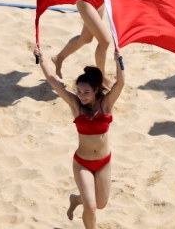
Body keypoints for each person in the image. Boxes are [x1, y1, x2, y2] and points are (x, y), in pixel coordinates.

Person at [33, 44, 125, 229]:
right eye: (79, 91)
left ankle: (76, 199)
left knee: (100, 204)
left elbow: (120, 83)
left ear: (96, 90)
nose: (81, 95)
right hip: (82, 162)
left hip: (103, 162)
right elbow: (54, 82)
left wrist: (119, 63)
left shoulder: (106, 105)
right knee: (91, 207)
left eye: (86, 92)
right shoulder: (76, 105)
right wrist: (41, 59)